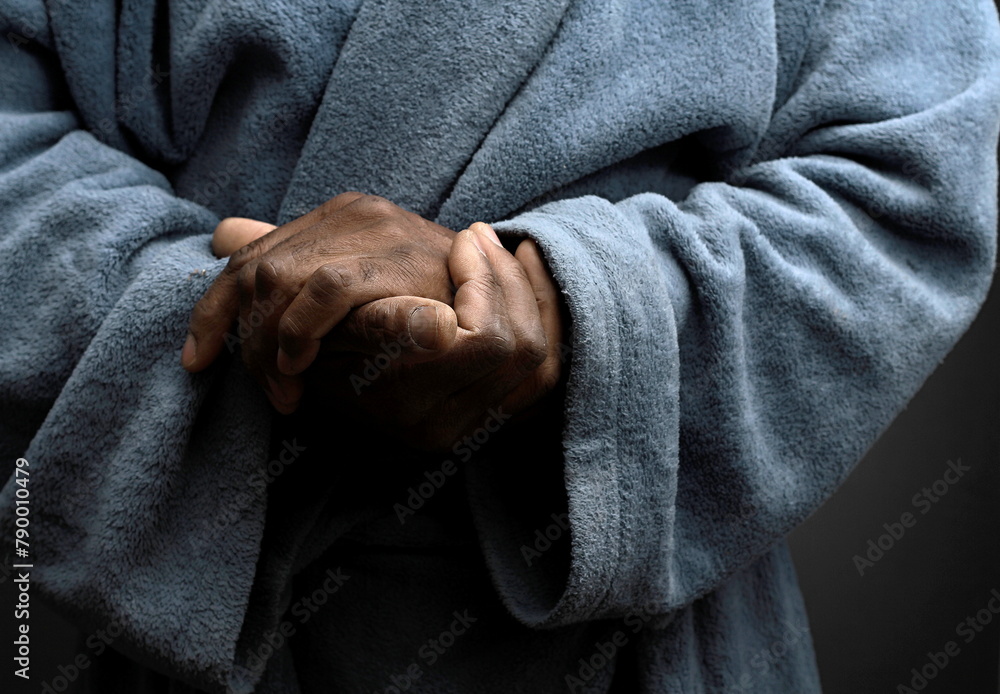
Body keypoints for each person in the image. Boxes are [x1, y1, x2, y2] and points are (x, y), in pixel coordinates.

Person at [1, 0, 998, 692]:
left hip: (615, 639)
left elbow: (904, 182)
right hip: (162, 607)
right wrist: (254, 303)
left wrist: (566, 303)